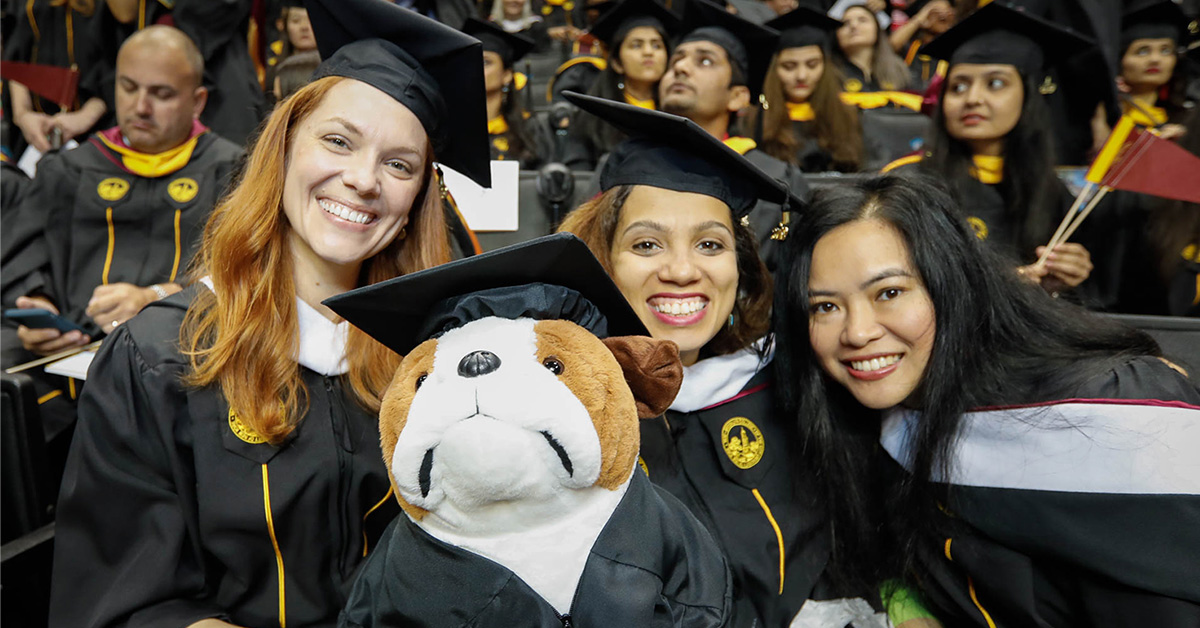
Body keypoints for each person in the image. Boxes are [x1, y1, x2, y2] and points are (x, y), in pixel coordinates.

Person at [47, 0, 492, 625]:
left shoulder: (433, 364)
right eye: (338, 141)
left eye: (399, 164)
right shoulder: (160, 357)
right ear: (283, 148)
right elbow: (121, 597)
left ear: (419, 195)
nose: (364, 180)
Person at [558, 92, 938, 628]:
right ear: (602, 261)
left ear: (740, 269)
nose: (683, 271)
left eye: (710, 245)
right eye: (647, 245)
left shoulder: (798, 383)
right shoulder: (559, 412)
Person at [773, 172, 1200, 626]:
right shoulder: (867, 426)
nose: (857, 332)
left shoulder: (1115, 414)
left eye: (890, 293)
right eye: (825, 306)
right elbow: (892, 563)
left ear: (952, 286)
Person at [2, 25, 243, 439]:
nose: (141, 107)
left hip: (179, 364)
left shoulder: (234, 172)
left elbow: (244, 273)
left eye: (162, 94)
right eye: (128, 88)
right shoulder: (68, 170)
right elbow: (24, 259)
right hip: (63, 365)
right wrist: (37, 308)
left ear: (198, 100)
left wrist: (158, 299)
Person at [881, 4, 1094, 297]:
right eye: (958, 87)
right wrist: (1005, 285)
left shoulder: (1054, 194)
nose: (973, 98)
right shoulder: (907, 183)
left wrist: (1068, 278)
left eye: (995, 84)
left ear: (1028, 97)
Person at [659, 0, 809, 270]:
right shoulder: (624, 164)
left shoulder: (775, 180)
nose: (680, 68)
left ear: (738, 97)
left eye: (704, 61)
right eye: (676, 59)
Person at [561, 0, 680, 170]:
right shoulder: (593, 117)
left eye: (657, 45)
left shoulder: (680, 111)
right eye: (636, 45)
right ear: (617, 62)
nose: (648, 52)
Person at [751, 6, 866, 172]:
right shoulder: (755, 120)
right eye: (789, 66)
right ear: (773, 70)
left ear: (825, 66)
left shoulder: (849, 115)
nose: (802, 75)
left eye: (812, 65)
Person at [463, 18, 546, 168]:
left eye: (485, 62)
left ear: (507, 75)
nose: (474, 68)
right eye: (469, 61)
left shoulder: (530, 130)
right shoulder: (449, 130)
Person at [1115, 0, 1190, 135]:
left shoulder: (1186, 120)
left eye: (1166, 50)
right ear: (1119, 60)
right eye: (1142, 51)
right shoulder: (1104, 118)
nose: (1155, 59)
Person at [829, 2, 911, 95]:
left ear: (877, 29)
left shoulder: (898, 69)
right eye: (845, 23)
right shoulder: (828, 73)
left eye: (862, 20)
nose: (853, 26)